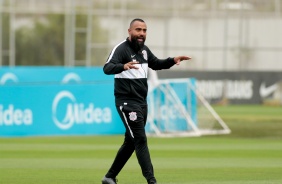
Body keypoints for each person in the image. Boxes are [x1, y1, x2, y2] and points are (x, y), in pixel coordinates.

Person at [102, 18, 192, 184]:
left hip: (142, 102)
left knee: (131, 142)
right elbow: (107, 68)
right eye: (138, 30)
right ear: (129, 31)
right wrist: (123, 66)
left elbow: (156, 64)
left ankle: (109, 177)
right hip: (127, 103)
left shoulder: (144, 50)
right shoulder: (121, 49)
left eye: (144, 30)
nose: (141, 33)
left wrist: (173, 60)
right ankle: (152, 181)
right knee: (140, 139)